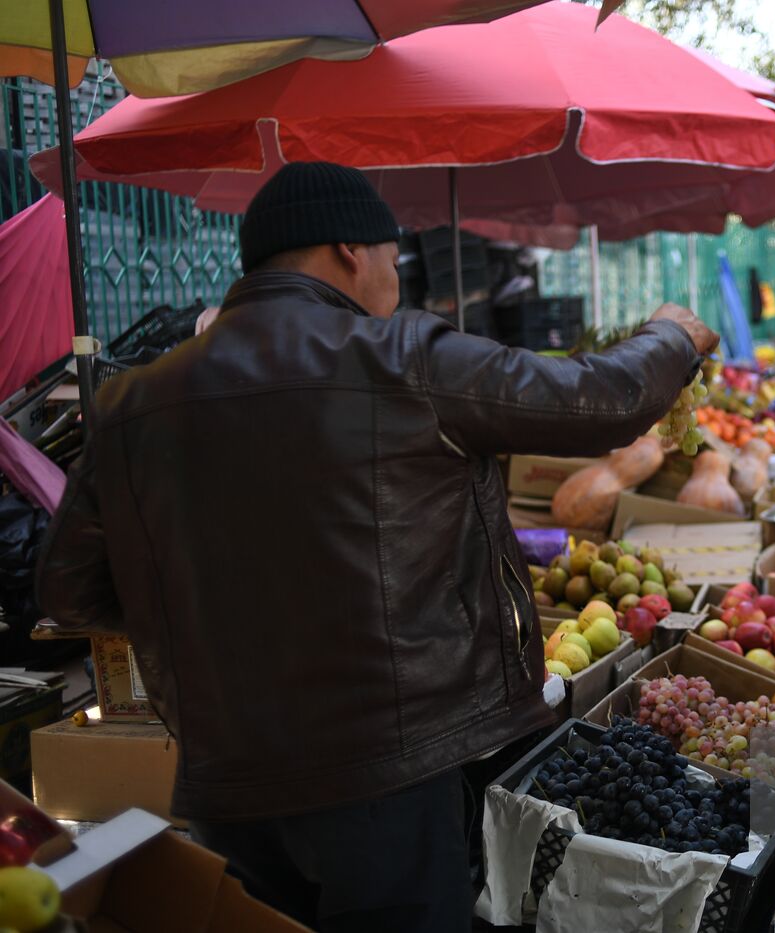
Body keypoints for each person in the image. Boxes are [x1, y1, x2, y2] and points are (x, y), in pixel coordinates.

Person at [35, 162, 718, 933]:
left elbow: (69, 591)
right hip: (385, 777)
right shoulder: (404, 361)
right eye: (395, 255)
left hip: (227, 779)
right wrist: (673, 335)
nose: (399, 273)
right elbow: (598, 401)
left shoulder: (132, 401)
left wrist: (211, 609)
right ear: (350, 250)